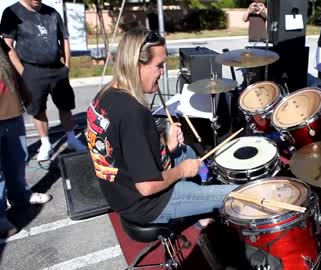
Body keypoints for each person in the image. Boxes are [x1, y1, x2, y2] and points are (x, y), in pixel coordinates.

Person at [86, 28, 239, 225]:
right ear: (136, 65)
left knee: (189, 153)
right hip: (146, 204)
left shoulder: (105, 95)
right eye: (159, 65)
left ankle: (199, 213)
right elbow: (147, 186)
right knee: (235, 193)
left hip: (120, 191)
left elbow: (126, 153)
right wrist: (182, 171)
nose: (162, 72)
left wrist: (167, 146)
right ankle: (199, 207)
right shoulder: (132, 112)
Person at [0, 0, 86, 161]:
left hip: (57, 69)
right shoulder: (12, 13)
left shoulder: (52, 13)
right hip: (31, 70)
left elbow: (64, 38)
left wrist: (67, 65)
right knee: (37, 109)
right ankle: (45, 144)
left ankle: (72, 139)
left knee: (65, 105)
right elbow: (8, 45)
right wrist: (23, 71)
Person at [0, 37, 52, 238]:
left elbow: (7, 61)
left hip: (11, 108)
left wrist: (23, 87)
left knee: (18, 156)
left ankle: (19, 196)